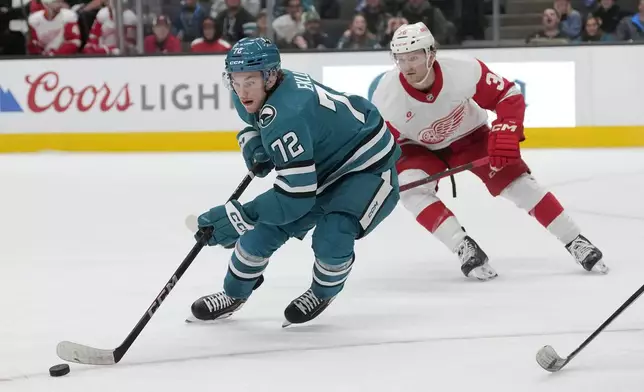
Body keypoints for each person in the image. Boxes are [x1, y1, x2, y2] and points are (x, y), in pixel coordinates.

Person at [368, 22, 608, 281]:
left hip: (470, 137)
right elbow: (381, 144)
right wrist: (378, 174)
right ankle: (462, 245)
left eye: (414, 57)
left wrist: (506, 129)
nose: (408, 67)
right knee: (410, 187)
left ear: (431, 53)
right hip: (417, 146)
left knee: (519, 184)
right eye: (401, 59)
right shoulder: (386, 95)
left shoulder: (462, 69)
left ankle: (575, 240)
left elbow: (507, 94)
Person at [188, 37, 401, 327]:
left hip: (366, 166)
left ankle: (323, 292)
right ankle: (233, 293)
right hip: (321, 166)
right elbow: (256, 124)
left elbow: (293, 198)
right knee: (259, 236)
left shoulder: (288, 113)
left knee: (333, 234)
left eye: (249, 81)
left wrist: (238, 216)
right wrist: (254, 143)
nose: (241, 91)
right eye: (235, 81)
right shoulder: (262, 92)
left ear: (271, 75)